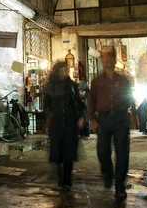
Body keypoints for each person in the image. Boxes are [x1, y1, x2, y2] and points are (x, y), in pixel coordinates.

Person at [90, 48, 134, 199]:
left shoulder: (123, 81)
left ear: (115, 61)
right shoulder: (96, 82)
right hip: (103, 118)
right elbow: (91, 101)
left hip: (120, 118)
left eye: (109, 58)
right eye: (104, 58)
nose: (107, 61)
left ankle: (120, 187)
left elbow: (130, 97)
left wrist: (131, 115)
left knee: (122, 153)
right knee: (102, 151)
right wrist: (92, 120)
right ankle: (107, 172)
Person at [44, 62, 86, 190]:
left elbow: (78, 102)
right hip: (56, 123)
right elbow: (47, 106)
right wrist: (48, 121)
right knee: (58, 152)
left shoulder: (72, 85)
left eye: (66, 70)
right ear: (58, 71)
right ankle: (60, 177)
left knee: (68, 152)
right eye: (63, 70)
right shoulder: (50, 86)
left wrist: (80, 117)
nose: (65, 72)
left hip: (70, 122)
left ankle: (67, 180)